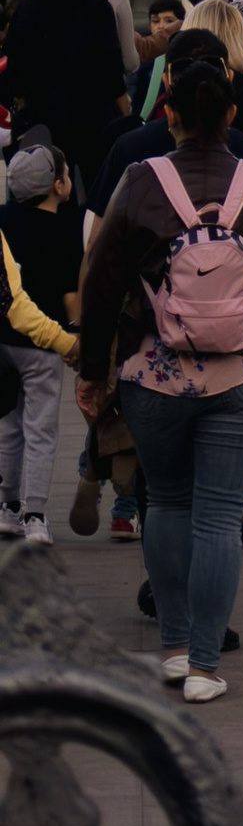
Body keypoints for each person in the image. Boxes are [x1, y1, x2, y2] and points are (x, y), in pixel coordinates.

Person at [76, 48, 243, 702]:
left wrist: (94, 372)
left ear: (168, 111)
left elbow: (100, 286)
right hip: (241, 377)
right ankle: (206, 664)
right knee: (218, 516)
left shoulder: (138, 180)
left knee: (168, 505)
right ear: (232, 115)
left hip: (152, 377)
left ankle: (173, 647)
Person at [8, 0, 130, 197]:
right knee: (98, 195)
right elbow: (113, 70)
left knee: (49, 198)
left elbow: (15, 68)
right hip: (93, 120)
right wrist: (125, 113)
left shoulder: (27, 7)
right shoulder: (97, 7)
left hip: (43, 121)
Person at [0, 144, 80, 540]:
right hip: (43, 343)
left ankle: (8, 506)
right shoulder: (64, 230)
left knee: (9, 425)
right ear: (58, 185)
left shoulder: (2, 221)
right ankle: (35, 516)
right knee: (41, 428)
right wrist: (77, 338)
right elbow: (70, 299)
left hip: (3, 342)